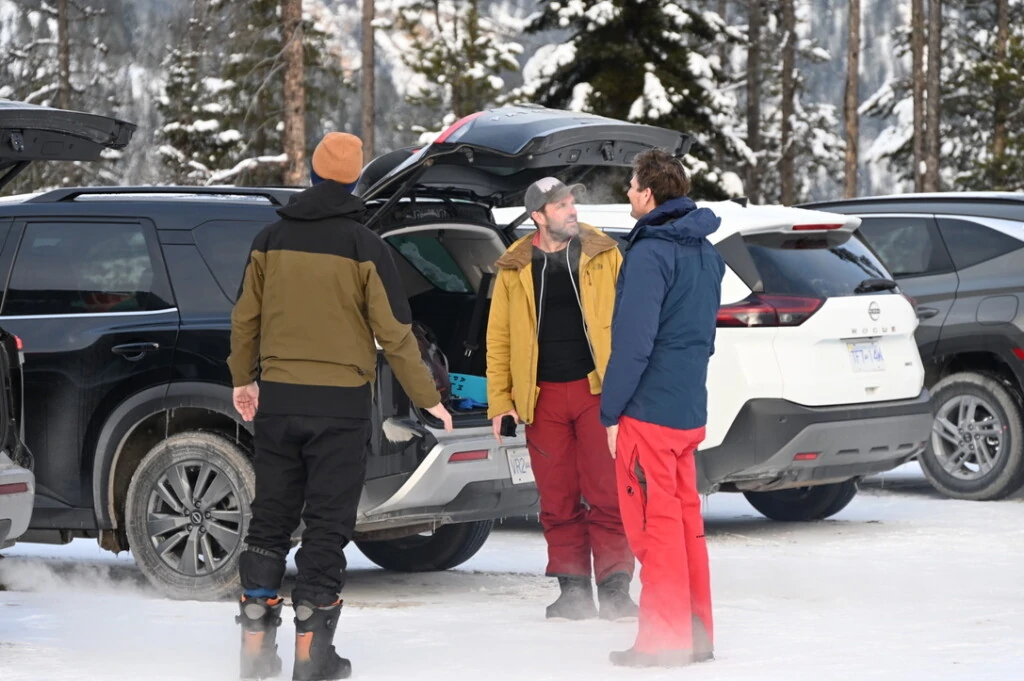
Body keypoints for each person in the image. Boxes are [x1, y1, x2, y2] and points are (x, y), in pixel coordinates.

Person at [228, 132, 453, 681]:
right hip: (340, 408)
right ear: (354, 180)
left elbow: (244, 320)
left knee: (271, 519)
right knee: (327, 526)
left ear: (311, 172)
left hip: (279, 402)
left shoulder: (269, 238)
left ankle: (256, 651)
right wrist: (430, 400)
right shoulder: (365, 246)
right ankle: (312, 656)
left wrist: (243, 380)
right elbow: (396, 336)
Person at [486, 176, 638, 622]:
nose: (573, 210)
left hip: (597, 392)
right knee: (557, 498)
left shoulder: (603, 253)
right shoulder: (515, 266)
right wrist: (500, 401)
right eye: (561, 205)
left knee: (607, 492)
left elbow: (629, 321)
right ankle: (572, 590)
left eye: (573, 202)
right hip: (542, 398)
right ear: (538, 216)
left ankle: (615, 588)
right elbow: (498, 339)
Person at [600, 149, 724, 667]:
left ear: (649, 193)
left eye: (631, 185)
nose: (627, 193)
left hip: (649, 411)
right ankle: (695, 634)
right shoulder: (706, 251)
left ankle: (662, 641)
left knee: (654, 526)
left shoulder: (651, 253)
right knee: (684, 522)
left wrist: (610, 410)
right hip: (687, 407)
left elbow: (633, 342)